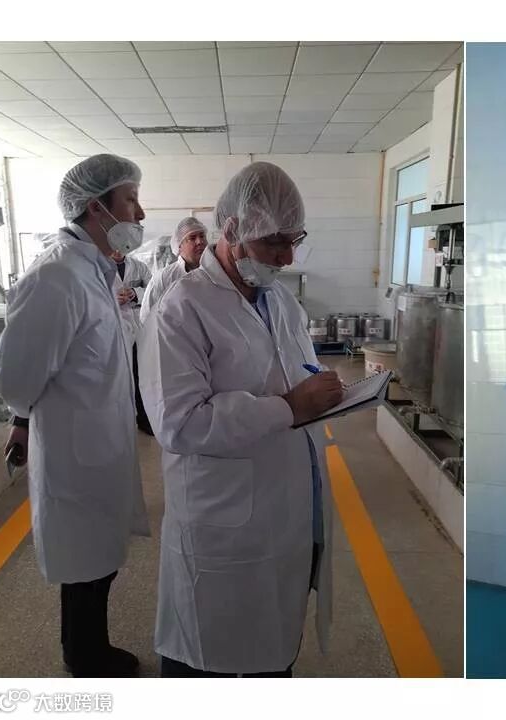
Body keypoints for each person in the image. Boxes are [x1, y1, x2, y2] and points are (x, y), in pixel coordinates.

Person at [138, 162, 343, 677]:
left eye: (294, 239)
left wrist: (326, 391)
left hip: (284, 512)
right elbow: (179, 423)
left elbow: (293, 374)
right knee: (207, 659)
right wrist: (290, 407)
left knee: (272, 650)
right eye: (274, 241)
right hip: (222, 520)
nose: (287, 256)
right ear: (231, 231)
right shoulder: (181, 309)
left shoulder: (281, 302)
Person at [0, 154, 149, 677]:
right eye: (130, 200)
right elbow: (16, 377)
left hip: (98, 448)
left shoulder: (93, 270)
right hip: (75, 456)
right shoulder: (57, 276)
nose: (140, 213)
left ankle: (90, 648)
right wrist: (22, 418)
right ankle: (85, 658)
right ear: (96, 207)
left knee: (98, 562)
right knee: (84, 566)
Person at [107, 248, 152, 434]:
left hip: (138, 325)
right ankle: (120, 421)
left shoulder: (139, 266)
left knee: (142, 374)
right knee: (119, 377)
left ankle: (144, 418)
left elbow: (152, 288)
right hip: (114, 328)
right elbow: (90, 296)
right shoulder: (99, 268)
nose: (118, 250)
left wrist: (135, 292)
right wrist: (111, 299)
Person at [139, 217, 208, 322]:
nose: (200, 241)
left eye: (202, 236)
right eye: (192, 238)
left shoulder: (216, 272)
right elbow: (147, 317)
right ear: (179, 246)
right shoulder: (163, 278)